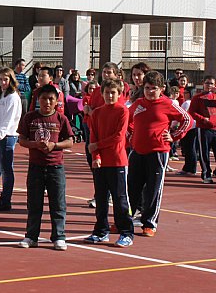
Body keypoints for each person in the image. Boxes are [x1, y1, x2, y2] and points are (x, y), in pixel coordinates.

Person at [127, 71, 192, 236]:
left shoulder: (168, 104)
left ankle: (149, 223)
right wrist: (130, 135)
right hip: (137, 151)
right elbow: (126, 121)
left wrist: (175, 136)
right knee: (131, 188)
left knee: (153, 189)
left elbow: (187, 120)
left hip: (158, 152)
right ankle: (125, 220)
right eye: (147, 88)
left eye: (154, 88)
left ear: (162, 88)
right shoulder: (138, 103)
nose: (150, 91)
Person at [18, 84, 74, 251]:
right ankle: (31, 236)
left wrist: (54, 145)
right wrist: (35, 144)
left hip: (55, 167)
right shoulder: (30, 118)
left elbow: (70, 141)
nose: (47, 102)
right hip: (35, 166)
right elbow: (22, 139)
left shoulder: (61, 119)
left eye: (51, 99)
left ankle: (59, 236)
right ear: (38, 100)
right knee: (34, 203)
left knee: (58, 203)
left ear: (57, 101)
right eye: (44, 99)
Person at [84, 79, 134, 247]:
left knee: (120, 199)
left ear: (119, 94)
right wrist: (96, 156)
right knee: (101, 198)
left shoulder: (123, 111)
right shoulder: (97, 113)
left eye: (113, 93)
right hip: (101, 163)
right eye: (106, 92)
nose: (109, 95)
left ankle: (126, 232)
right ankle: (101, 231)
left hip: (117, 161)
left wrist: (96, 146)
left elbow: (118, 137)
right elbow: (93, 135)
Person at [0, 67, 22, 212]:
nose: (3, 82)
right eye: (1, 79)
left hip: (7, 136)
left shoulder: (12, 97)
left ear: (11, 80)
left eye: (6, 79)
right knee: (2, 167)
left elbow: (9, 119)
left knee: (7, 169)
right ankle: (4, 198)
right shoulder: (0, 95)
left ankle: (6, 199)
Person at [187, 75, 216, 184]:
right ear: (203, 83)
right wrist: (203, 119)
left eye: (212, 83)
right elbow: (192, 112)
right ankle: (206, 174)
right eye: (207, 83)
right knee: (204, 153)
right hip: (204, 129)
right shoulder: (197, 98)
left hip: (215, 128)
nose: (209, 85)